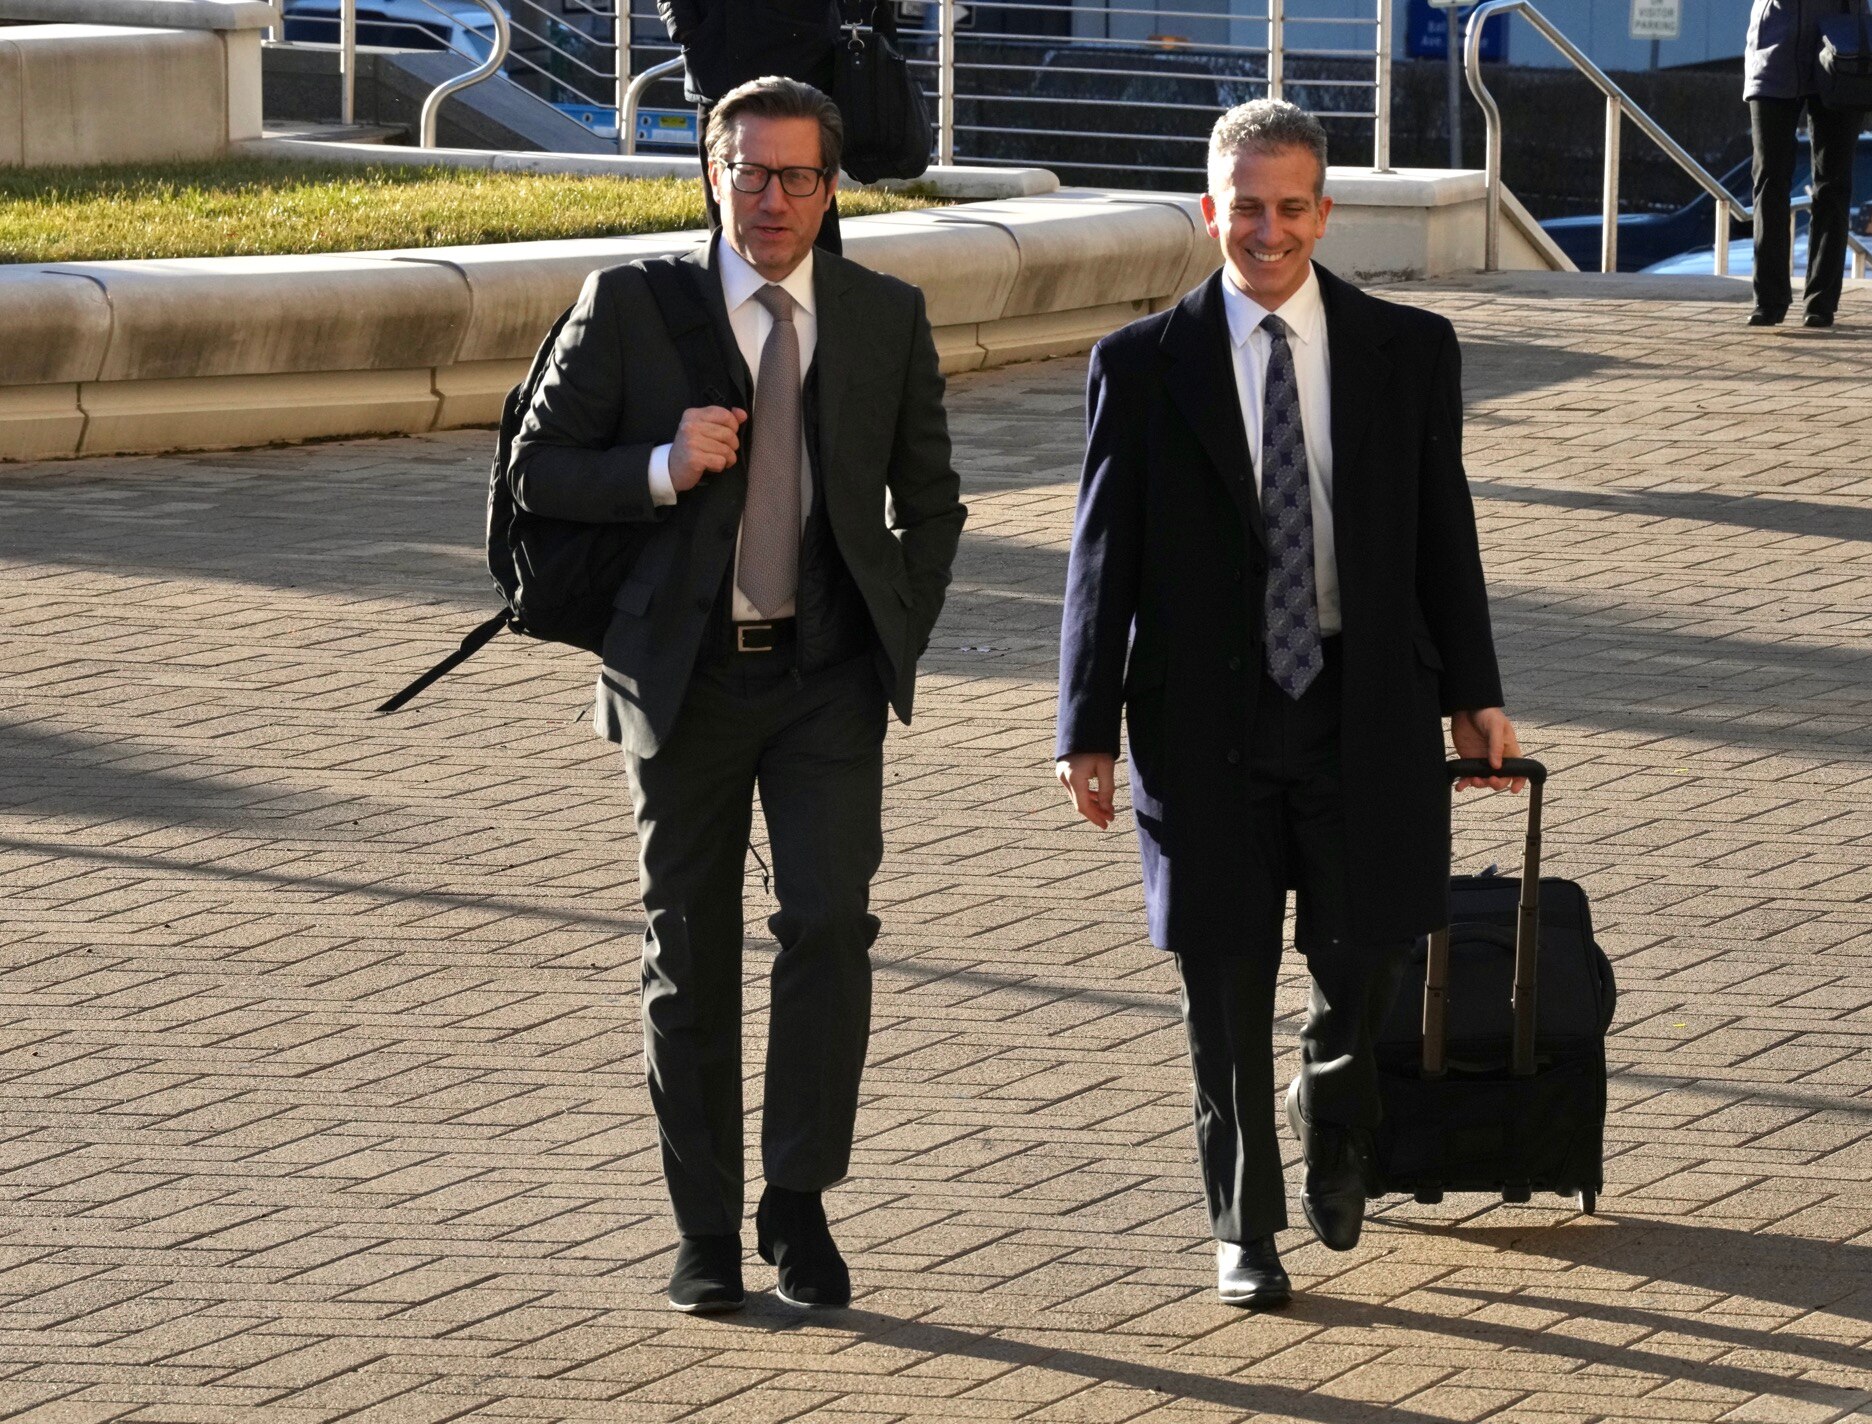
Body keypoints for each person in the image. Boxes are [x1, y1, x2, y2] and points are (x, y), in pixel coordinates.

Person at [1053, 99, 1523, 1309]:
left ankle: (1335, 1099)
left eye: (1290, 206)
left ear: (1324, 211)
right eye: (1244, 207)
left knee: (1357, 964)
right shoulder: (1140, 365)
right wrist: (1083, 726)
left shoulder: (1406, 350)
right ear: (1210, 212)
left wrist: (1474, 695)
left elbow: (1440, 534)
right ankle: (1243, 1225)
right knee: (1220, 986)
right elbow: (1100, 556)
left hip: (1361, 710)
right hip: (1200, 722)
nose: (1266, 231)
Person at [511, 76, 965, 1314]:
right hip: (684, 678)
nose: (773, 201)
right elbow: (539, 470)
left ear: (832, 188)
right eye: (749, 174)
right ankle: (704, 1228)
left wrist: (891, 636)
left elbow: (933, 503)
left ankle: (797, 1199)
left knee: (829, 926)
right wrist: (662, 466)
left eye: (799, 177)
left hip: (825, 682)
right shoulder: (630, 308)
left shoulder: (880, 316)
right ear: (709, 175)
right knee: (688, 948)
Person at [660, 0, 846, 254]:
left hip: (800, 59)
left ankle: (820, 292)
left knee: (804, 186)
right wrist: (683, 25)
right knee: (727, 194)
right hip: (717, 57)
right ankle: (726, 290)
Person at [1743, 0, 1869, 327]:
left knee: (1833, 183)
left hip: (1842, 47)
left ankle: (1821, 302)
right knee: (1769, 177)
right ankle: (1768, 300)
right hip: (1773, 49)